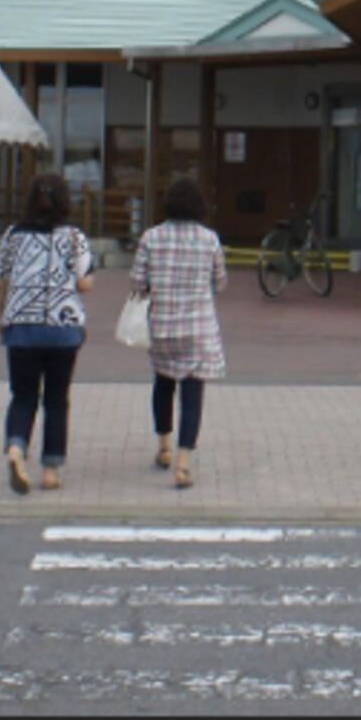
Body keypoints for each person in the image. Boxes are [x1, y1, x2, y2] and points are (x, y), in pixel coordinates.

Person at [0, 172, 93, 495]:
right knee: (56, 399)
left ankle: (16, 448)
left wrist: (2, 315)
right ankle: (51, 469)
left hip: (21, 326)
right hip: (63, 329)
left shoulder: (12, 235)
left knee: (23, 395)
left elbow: (1, 280)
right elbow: (85, 282)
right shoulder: (74, 237)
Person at [129, 175, 227, 490]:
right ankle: (184, 463)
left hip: (162, 327)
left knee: (163, 383)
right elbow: (220, 282)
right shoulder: (209, 239)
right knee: (192, 395)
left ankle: (164, 446)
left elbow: (137, 284)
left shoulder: (151, 237)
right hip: (198, 328)